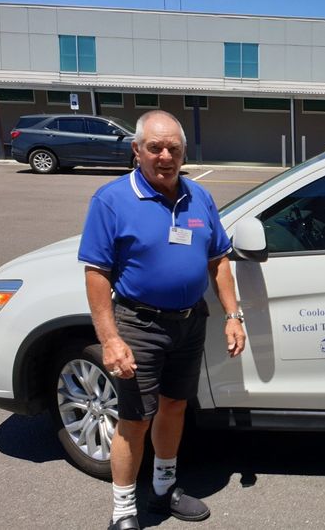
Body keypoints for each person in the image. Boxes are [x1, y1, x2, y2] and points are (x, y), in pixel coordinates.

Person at [78, 110, 246, 530]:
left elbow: (218, 259)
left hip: (189, 323)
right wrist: (111, 339)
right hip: (139, 325)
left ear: (184, 153)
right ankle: (123, 511)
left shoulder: (198, 197)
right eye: (155, 147)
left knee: (173, 408)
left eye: (173, 147)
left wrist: (233, 315)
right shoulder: (112, 200)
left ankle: (163, 488)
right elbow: (96, 274)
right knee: (135, 419)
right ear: (137, 151)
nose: (165, 155)